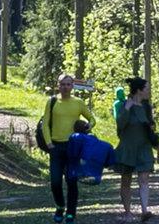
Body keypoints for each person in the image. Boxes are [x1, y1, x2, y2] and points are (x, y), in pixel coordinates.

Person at [42, 74, 96, 223]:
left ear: (72, 86)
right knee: (55, 182)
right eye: (62, 84)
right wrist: (49, 143)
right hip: (56, 147)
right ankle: (60, 206)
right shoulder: (52, 101)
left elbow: (92, 118)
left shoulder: (78, 103)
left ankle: (71, 213)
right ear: (58, 85)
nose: (65, 87)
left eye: (68, 84)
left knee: (72, 181)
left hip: (73, 147)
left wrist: (89, 126)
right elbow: (45, 124)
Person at [114, 77, 157, 221]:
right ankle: (127, 212)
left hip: (144, 147)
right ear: (139, 90)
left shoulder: (146, 107)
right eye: (146, 88)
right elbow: (120, 124)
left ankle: (145, 210)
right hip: (128, 148)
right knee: (126, 180)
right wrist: (127, 108)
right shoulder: (125, 105)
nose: (149, 91)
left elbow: (150, 124)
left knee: (144, 179)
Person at [70, 119, 114, 185]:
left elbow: (72, 154)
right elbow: (110, 163)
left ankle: (84, 174)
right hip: (97, 173)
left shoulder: (76, 137)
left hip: (79, 172)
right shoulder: (107, 145)